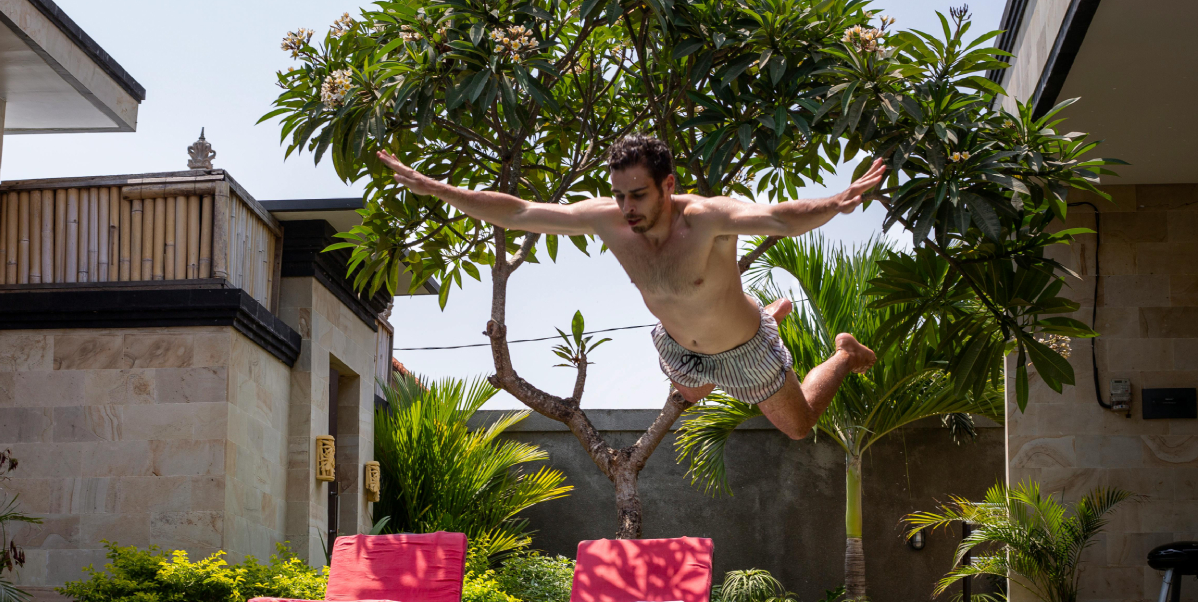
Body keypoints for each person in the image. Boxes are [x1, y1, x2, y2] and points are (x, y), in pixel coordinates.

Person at [376, 134, 884, 439]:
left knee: (797, 426)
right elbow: (519, 211)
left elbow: (778, 218)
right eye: (618, 195)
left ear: (668, 184)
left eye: (638, 195)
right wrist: (440, 190)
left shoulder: (710, 218)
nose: (626, 208)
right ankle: (764, 313)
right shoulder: (609, 219)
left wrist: (836, 203)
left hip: (744, 349)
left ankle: (843, 354)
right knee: (690, 391)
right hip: (679, 346)